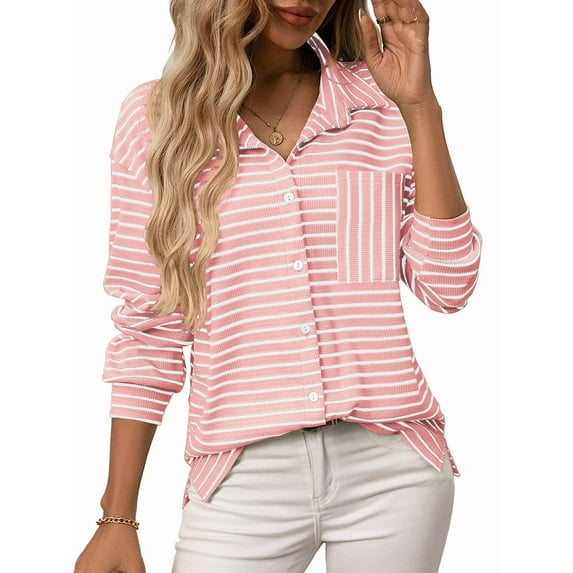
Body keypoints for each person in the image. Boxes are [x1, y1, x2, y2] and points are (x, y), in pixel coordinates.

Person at [75, 0, 482, 571]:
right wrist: (117, 518)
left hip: (394, 469)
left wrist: (419, 107)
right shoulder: (158, 119)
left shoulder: (380, 102)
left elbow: (448, 285)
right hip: (242, 479)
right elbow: (150, 329)